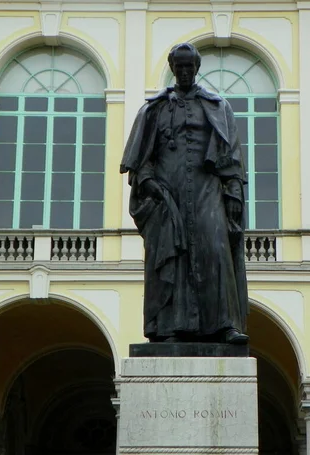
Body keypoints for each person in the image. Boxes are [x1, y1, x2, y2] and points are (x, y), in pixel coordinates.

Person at [120, 43, 249, 344]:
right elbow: (140, 161)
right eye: (180, 67)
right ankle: (169, 328)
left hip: (207, 191)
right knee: (171, 257)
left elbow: (231, 156)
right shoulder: (154, 109)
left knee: (215, 251)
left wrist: (232, 195)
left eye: (190, 66)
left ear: (197, 68)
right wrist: (150, 184)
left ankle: (224, 325)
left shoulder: (217, 106)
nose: (186, 71)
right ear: (172, 69)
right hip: (168, 194)